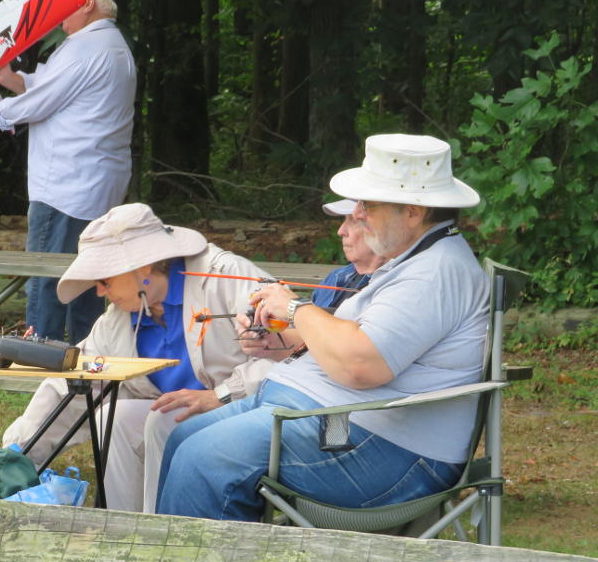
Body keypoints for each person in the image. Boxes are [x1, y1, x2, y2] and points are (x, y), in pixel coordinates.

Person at [156, 133, 489, 521]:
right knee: (184, 437)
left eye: (368, 204)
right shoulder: (414, 259)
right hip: (340, 421)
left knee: (203, 459)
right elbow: (360, 339)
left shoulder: (434, 272)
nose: (359, 214)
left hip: (387, 449)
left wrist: (295, 308)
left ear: (412, 210)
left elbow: (361, 364)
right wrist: (284, 340)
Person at [1, 202, 299, 513]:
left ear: (142, 267)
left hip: (256, 417)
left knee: (162, 419)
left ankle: (164, 535)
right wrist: (11, 456)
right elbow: (75, 382)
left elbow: (299, 352)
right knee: (114, 418)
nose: (100, 292)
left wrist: (223, 395)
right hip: (185, 421)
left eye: (104, 280)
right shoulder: (119, 318)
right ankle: (121, 532)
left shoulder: (227, 277)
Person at [0, 0, 136, 343]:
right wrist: (9, 79)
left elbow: (36, 106)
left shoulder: (85, 47)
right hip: (95, 185)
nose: (55, 17)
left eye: (61, 6)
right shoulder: (110, 44)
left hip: (65, 188)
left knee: (48, 279)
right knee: (86, 281)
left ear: (85, 4)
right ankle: (85, 363)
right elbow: (58, 88)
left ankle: (41, 364)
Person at [310, 199, 389, 310]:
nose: (341, 231)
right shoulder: (336, 277)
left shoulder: (396, 285)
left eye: (354, 220)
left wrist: (294, 306)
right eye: (344, 220)